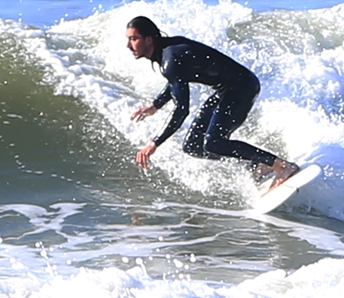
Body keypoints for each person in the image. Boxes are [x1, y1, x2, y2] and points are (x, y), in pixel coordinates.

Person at [126, 15, 300, 188]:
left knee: (214, 142)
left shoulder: (169, 59)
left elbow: (181, 109)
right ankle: (258, 164)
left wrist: (154, 143)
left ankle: (281, 165)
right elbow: (175, 81)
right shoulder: (168, 53)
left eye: (134, 39)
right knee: (193, 145)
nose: (129, 45)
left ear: (149, 40)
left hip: (242, 86)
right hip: (226, 89)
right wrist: (156, 105)